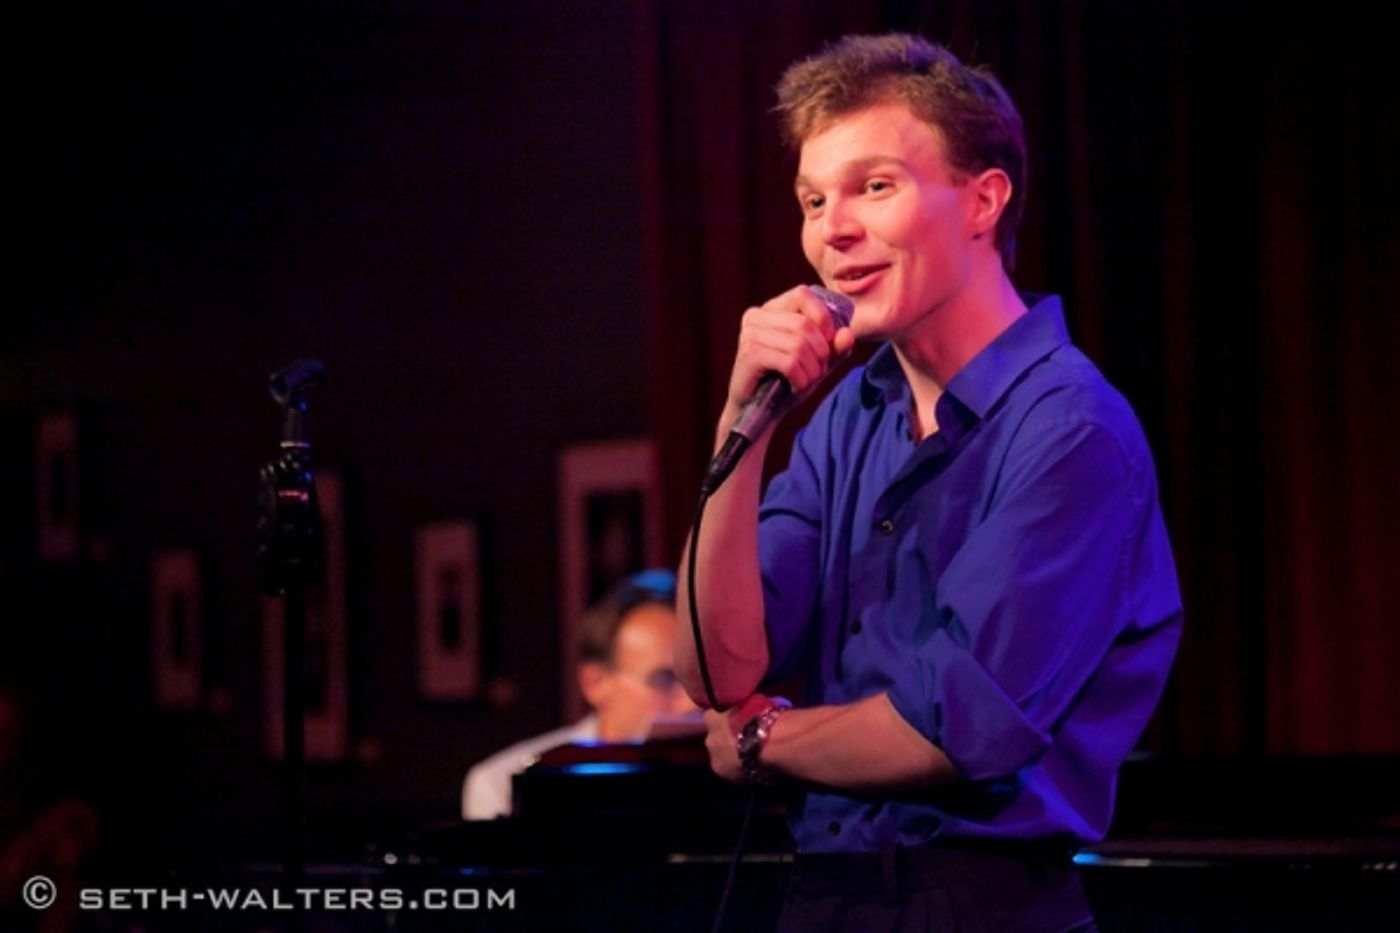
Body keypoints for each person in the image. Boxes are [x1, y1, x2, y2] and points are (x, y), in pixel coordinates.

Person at [676, 34, 1182, 930]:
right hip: (824, 896)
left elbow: (949, 726)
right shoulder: (845, 416)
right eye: (812, 199)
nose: (833, 229)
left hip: (980, 901)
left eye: (875, 187)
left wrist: (760, 739)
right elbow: (721, 663)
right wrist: (739, 426)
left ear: (983, 200)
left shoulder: (1070, 428)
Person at [462, 570, 696, 820]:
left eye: (702, 681)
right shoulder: (502, 783)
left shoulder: (731, 771)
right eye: (664, 679)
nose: (692, 703)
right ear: (595, 683)